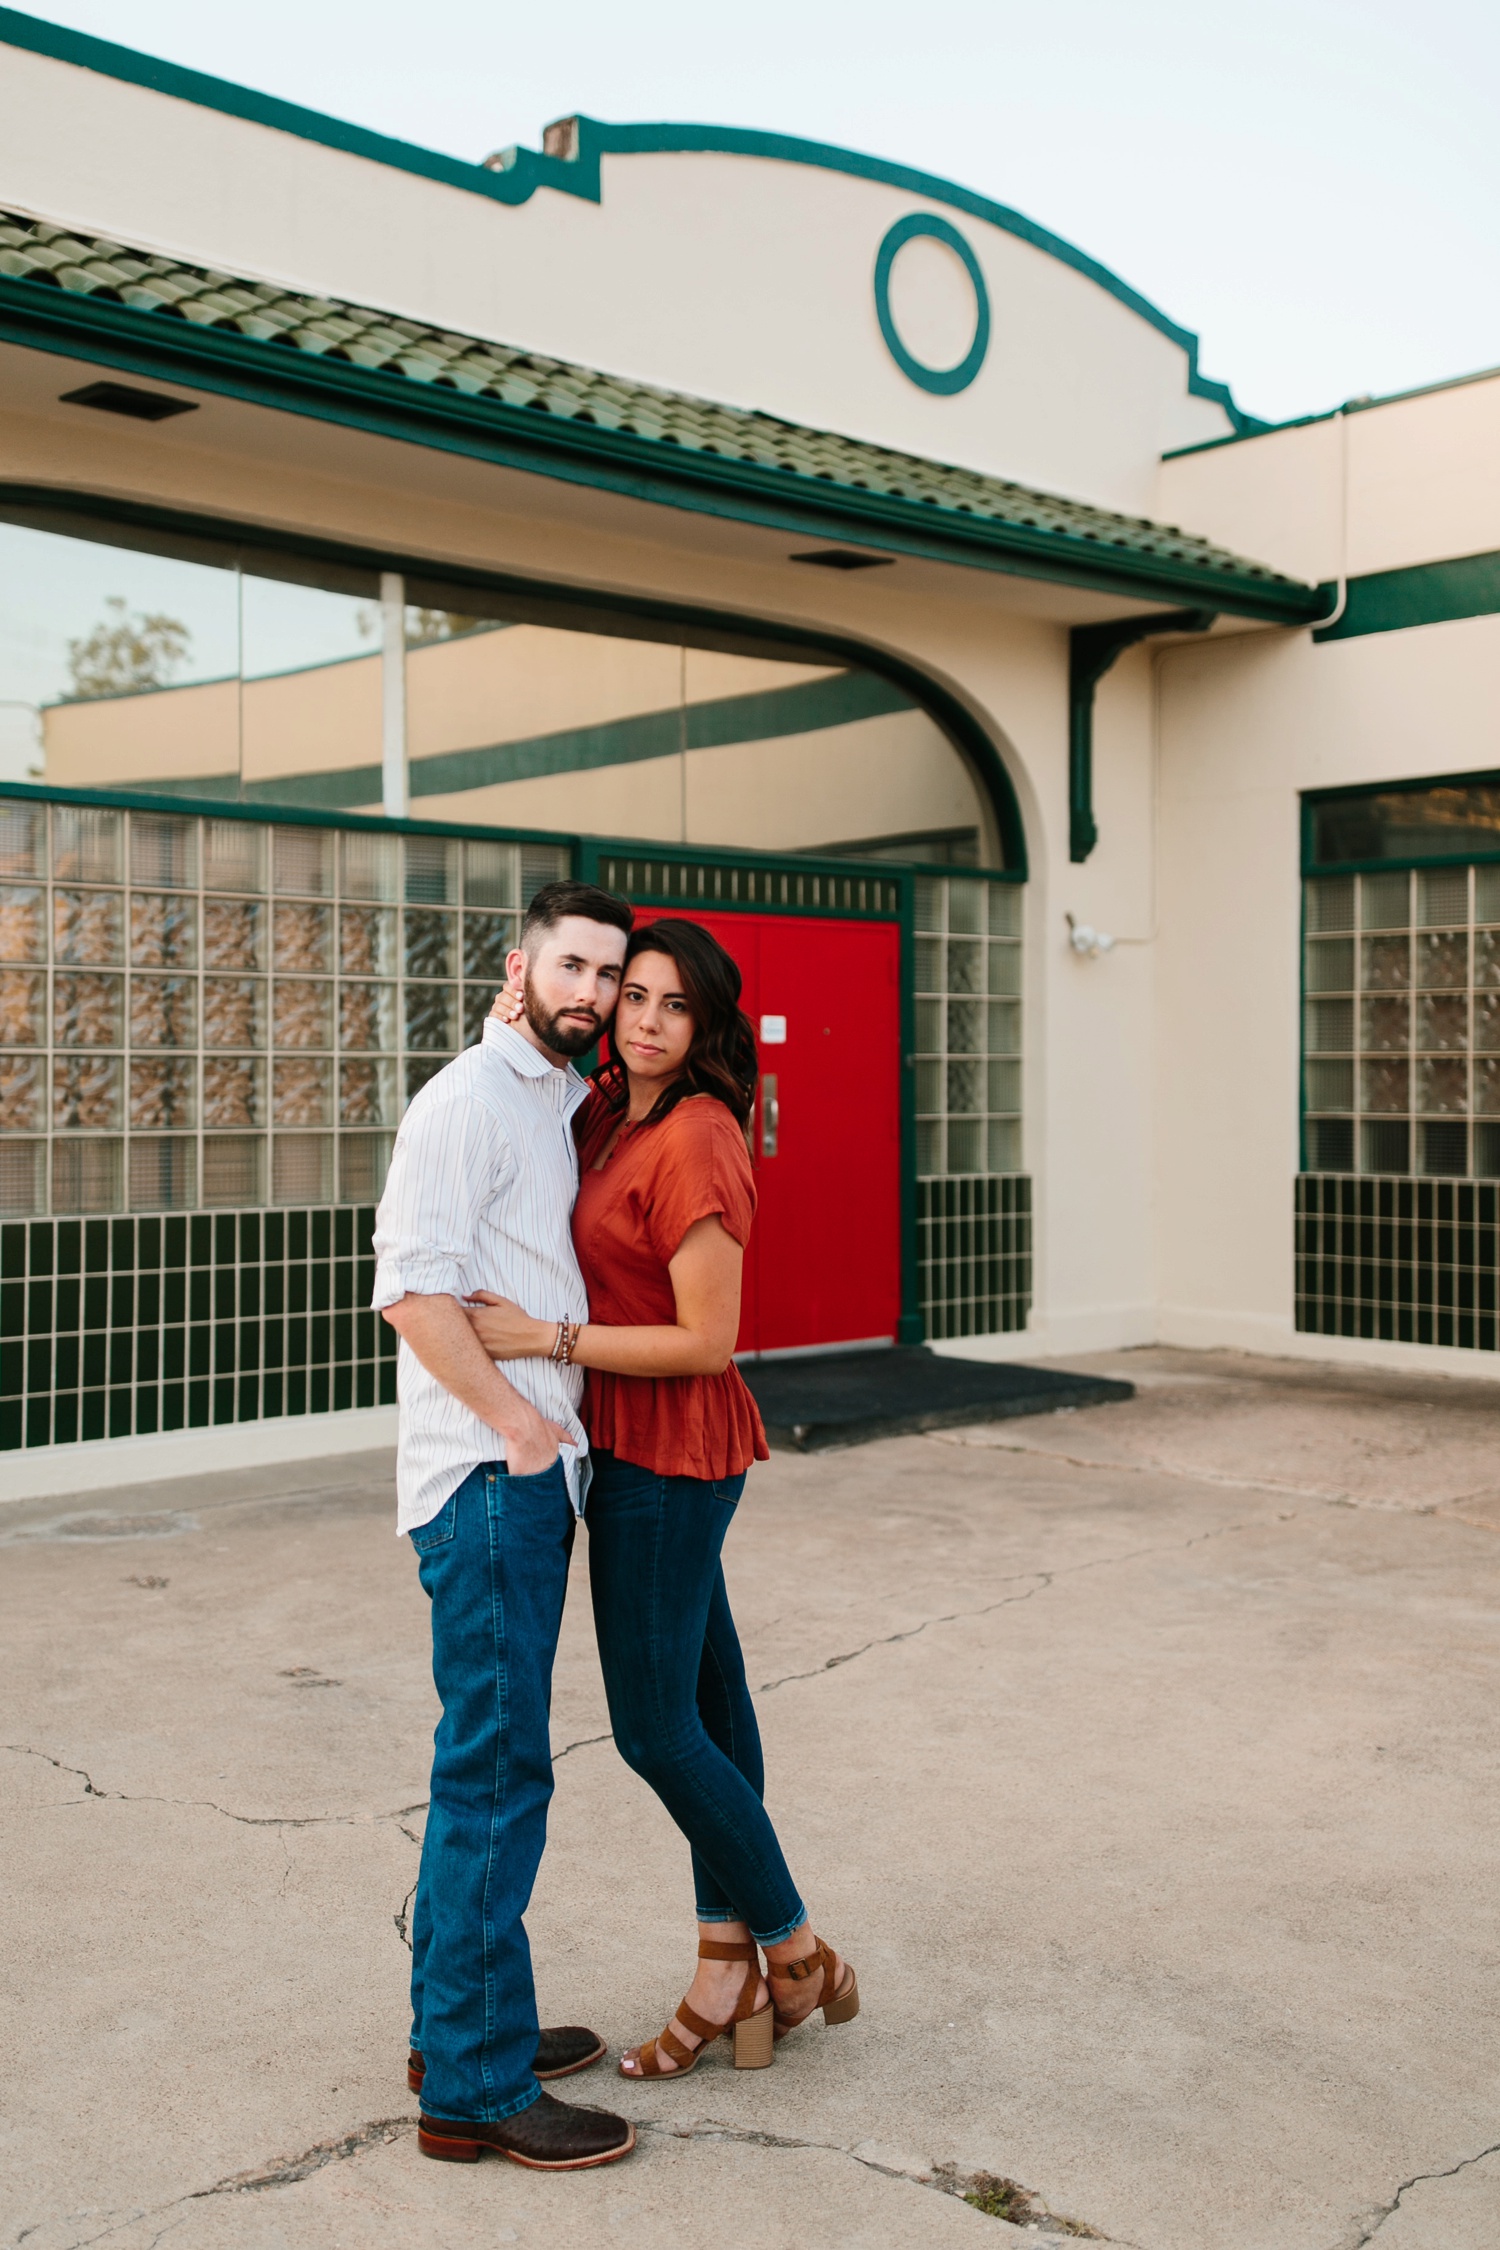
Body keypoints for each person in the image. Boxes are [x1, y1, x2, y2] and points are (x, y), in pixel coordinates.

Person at [474, 917, 858, 2080]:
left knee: (653, 1728)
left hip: (670, 1458)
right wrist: (504, 1027)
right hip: (633, 1448)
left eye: (674, 1005)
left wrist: (547, 1338)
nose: (644, 1020)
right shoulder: (609, 1108)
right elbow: (524, 1109)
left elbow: (706, 1340)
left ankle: (796, 1948)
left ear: (706, 1024)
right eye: (632, 994)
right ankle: (725, 1967)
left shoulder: (696, 1136)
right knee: (713, 1705)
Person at [371, 879, 639, 2171]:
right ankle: (475, 2089)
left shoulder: (548, 1094)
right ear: (519, 965)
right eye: (572, 965)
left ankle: (464, 2028)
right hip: (492, 1482)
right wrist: (521, 1432)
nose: (593, 991)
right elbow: (414, 1292)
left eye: (609, 974)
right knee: (494, 1774)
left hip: (525, 1482)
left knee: (490, 1764)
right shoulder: (467, 1099)